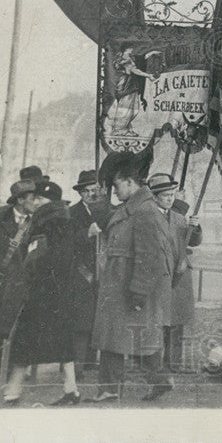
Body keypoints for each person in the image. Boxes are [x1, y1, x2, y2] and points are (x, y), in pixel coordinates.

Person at [91, 153, 174, 402]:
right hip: (121, 283)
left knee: (121, 337)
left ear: (129, 181)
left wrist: (139, 291)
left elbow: (150, 256)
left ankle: (110, 388)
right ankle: (157, 380)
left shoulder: (144, 211)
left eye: (116, 185)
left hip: (129, 286)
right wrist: (102, 194)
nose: (114, 192)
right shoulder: (133, 208)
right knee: (128, 337)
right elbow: (105, 219)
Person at [0, 191, 82, 406]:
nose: (35, 202)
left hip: (40, 294)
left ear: (49, 201)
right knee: (63, 342)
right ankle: (71, 389)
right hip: (60, 294)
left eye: (39, 198)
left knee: (23, 342)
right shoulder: (64, 223)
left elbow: (34, 261)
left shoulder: (45, 226)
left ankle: (13, 390)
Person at [0, 166, 45, 383]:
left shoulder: (37, 222)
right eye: (32, 198)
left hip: (18, 285)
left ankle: (2, 377)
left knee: (8, 332)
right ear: (20, 200)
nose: (36, 202)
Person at [148, 173, 203, 372]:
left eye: (172, 195)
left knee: (176, 320)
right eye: (165, 195)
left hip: (179, 277)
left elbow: (193, 241)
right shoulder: (149, 218)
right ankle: (153, 363)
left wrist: (194, 228)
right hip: (160, 275)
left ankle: (174, 362)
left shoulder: (179, 218)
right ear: (155, 197)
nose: (170, 199)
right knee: (157, 320)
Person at [67, 169, 109, 371]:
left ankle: (92, 362)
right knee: (82, 321)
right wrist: (87, 233)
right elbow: (66, 242)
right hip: (82, 274)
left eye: (95, 190)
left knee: (99, 319)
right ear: (80, 193)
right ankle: (77, 365)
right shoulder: (72, 213)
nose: (92, 194)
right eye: (87, 191)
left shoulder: (109, 212)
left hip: (105, 273)